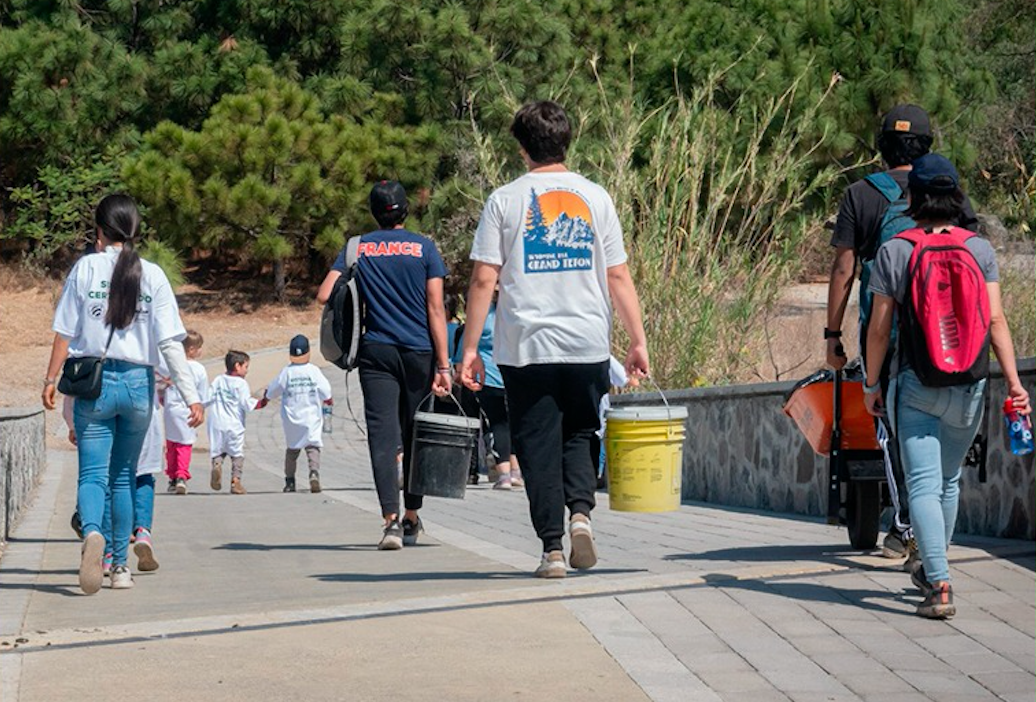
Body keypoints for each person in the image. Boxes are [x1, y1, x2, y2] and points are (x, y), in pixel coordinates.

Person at [459, 101, 649, 579]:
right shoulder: (595, 196)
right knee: (583, 431)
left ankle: (552, 550)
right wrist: (637, 340)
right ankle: (581, 514)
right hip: (587, 342)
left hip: (527, 348)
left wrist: (468, 349)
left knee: (537, 444)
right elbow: (619, 276)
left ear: (521, 148)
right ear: (568, 141)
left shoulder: (505, 199)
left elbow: (484, 279)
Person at [863, 153, 1030, 619]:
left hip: (916, 381)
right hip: (970, 385)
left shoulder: (896, 249)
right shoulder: (979, 249)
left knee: (920, 483)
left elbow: (879, 329)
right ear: (956, 196)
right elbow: (995, 319)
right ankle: (935, 564)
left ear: (912, 196)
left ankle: (937, 582)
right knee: (948, 480)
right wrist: (1015, 384)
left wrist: (871, 384)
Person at [825, 104, 979, 562]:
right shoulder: (950, 191)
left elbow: (843, 267)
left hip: (889, 337)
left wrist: (831, 334)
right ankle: (926, 542)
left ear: (882, 147)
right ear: (927, 145)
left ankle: (908, 527)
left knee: (892, 432)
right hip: (953, 340)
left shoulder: (860, 194)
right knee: (944, 467)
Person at [43, 193, 203, 594]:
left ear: (99, 231)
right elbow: (169, 344)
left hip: (94, 384)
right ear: (133, 231)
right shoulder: (153, 275)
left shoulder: (84, 269)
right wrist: (191, 396)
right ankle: (118, 567)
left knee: (93, 474)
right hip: (137, 385)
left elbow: (64, 332)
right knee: (124, 477)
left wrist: (49, 379)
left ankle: (92, 533)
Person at [316, 180, 451, 550]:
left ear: (374, 212)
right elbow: (435, 308)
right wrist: (444, 365)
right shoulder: (424, 248)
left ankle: (389, 521)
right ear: (405, 210)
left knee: (382, 435)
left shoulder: (357, 247)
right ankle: (411, 517)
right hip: (420, 352)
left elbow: (325, 293)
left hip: (376, 351)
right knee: (415, 433)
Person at [451, 294, 522, 490]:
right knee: (513, 422)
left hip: (487, 376)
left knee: (498, 423)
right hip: (514, 374)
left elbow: (467, 343)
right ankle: (516, 471)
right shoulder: (515, 311)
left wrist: (459, 367)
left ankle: (504, 474)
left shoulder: (482, 313)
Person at [262, 334, 333, 493]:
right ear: (308, 352)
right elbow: (326, 391)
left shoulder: (286, 372)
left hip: (292, 418)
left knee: (292, 451)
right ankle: (314, 473)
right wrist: (328, 400)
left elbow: (274, 389)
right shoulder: (313, 371)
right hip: (311, 417)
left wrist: (266, 397)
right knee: (312, 447)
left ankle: (290, 482)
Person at [208, 350, 262, 495]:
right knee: (237, 453)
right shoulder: (241, 384)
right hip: (234, 424)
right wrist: (262, 402)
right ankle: (235, 482)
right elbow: (246, 403)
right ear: (237, 366)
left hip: (217, 423)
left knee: (219, 450)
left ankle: (217, 464)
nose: (247, 370)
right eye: (246, 367)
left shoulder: (218, 380)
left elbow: (207, 396)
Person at [163, 330, 209, 494]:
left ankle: (172, 476)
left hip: (171, 410)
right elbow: (203, 394)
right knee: (184, 444)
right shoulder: (199, 369)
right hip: (189, 410)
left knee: (171, 444)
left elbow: (163, 386)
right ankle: (182, 475)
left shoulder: (170, 366)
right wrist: (202, 409)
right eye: (199, 347)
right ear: (191, 350)